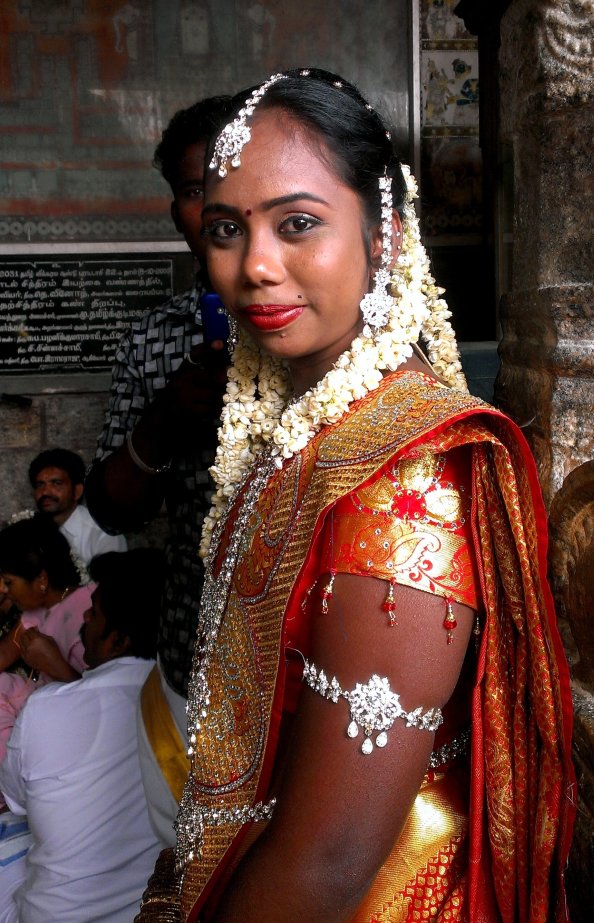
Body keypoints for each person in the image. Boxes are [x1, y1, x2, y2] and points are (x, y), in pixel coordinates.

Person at [137, 69, 575, 923]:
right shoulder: (305, 428)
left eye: (298, 223)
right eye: (228, 229)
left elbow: (331, 861)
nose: (256, 265)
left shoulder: (404, 476)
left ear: (386, 233)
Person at [84, 96, 234, 846]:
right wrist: (165, 422)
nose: (211, 203)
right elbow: (111, 511)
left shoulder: (335, 320)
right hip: (191, 655)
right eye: (191, 187)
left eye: (228, 176)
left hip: (316, 669)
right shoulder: (157, 337)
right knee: (196, 866)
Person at [0, 549, 164, 923]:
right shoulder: (184, 704)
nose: (83, 621)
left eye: (94, 613)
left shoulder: (46, 708)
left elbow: (16, 801)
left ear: (118, 641)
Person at [0, 517, 93, 763]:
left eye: (9, 582)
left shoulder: (90, 611)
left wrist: (56, 665)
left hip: (77, 726)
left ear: (41, 579)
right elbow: (4, 654)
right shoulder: (37, 610)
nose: (4, 591)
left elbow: (105, 704)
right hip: (42, 704)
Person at [28, 448, 126, 566]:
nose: (45, 492)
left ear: (77, 491)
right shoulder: (31, 530)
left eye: (57, 483)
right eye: (40, 484)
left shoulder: (102, 535)